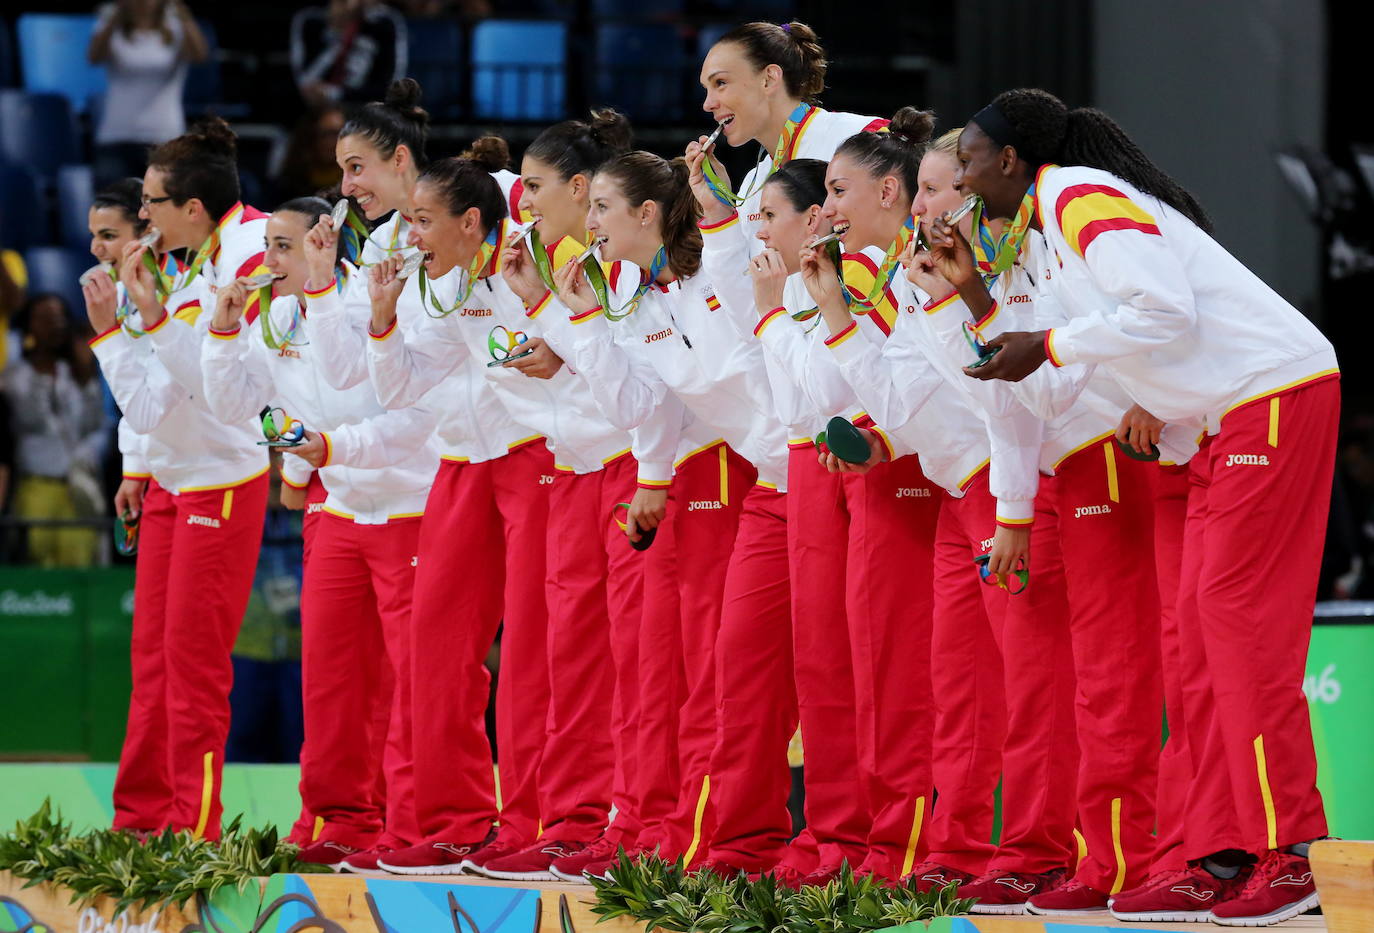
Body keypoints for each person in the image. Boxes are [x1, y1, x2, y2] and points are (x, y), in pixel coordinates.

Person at [955, 87, 1337, 927]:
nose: (959, 174)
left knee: (1232, 623)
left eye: (969, 158)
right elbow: (1051, 394)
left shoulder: (1080, 195)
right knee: (1197, 640)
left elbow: (1164, 309)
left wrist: (1045, 341)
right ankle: (1219, 852)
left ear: (1010, 160)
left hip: (1274, 393)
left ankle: (1290, 855)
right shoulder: (1043, 241)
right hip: (1225, 417)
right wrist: (985, 311)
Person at [551, 151, 794, 875]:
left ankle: (719, 833)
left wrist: (660, 472)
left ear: (647, 214)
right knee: (699, 663)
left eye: (600, 207)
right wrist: (585, 321)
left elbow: (744, 360)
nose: (588, 223)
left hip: (761, 463)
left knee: (725, 666)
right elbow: (639, 407)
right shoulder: (635, 293)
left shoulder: (711, 274)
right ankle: (693, 831)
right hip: (744, 470)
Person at [200, 197, 437, 867]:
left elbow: (412, 414)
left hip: (409, 504)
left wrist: (329, 447)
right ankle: (338, 817)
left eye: (284, 246)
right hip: (335, 511)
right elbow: (236, 406)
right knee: (329, 676)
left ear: (324, 246)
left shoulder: (372, 302)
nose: (268, 260)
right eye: (267, 246)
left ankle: (411, 821)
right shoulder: (275, 317)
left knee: (409, 678)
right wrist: (221, 335)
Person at [86, 118, 269, 841]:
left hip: (221, 479)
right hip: (173, 475)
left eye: (152, 203)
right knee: (153, 662)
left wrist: (131, 326)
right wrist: (137, 462)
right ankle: (139, 821)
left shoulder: (249, 250)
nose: (143, 217)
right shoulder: (192, 260)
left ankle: (194, 833)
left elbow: (219, 392)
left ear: (191, 208)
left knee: (191, 666)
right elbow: (154, 400)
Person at [697, 21, 888, 251]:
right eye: (706, 89)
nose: (708, 104)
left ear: (769, 79)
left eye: (721, 83)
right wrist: (718, 210)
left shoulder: (861, 138)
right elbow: (750, 287)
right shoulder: (753, 186)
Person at [2, 293, 109, 566]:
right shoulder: (14, 376)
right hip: (35, 484)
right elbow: (30, 421)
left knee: (81, 561)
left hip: (76, 487)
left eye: (60, 317)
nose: (56, 324)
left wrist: (85, 378)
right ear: (29, 326)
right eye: (46, 318)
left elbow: (94, 425)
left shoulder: (76, 373)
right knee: (38, 562)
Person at [88, 0, 209, 185]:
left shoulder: (176, 24)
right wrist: (113, 19)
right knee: (115, 209)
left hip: (165, 137)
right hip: (116, 135)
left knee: (164, 208)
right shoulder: (110, 22)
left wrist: (186, 18)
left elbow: (200, 56)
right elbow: (94, 57)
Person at [290, 0, 407, 108]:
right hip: (316, 110)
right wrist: (338, 33)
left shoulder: (384, 21)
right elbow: (305, 83)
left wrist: (336, 94)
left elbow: (389, 86)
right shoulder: (311, 18)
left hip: (365, 110)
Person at [273, 105, 346, 204]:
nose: (334, 141)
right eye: (326, 134)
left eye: (341, 133)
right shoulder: (288, 184)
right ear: (310, 136)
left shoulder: (357, 185)